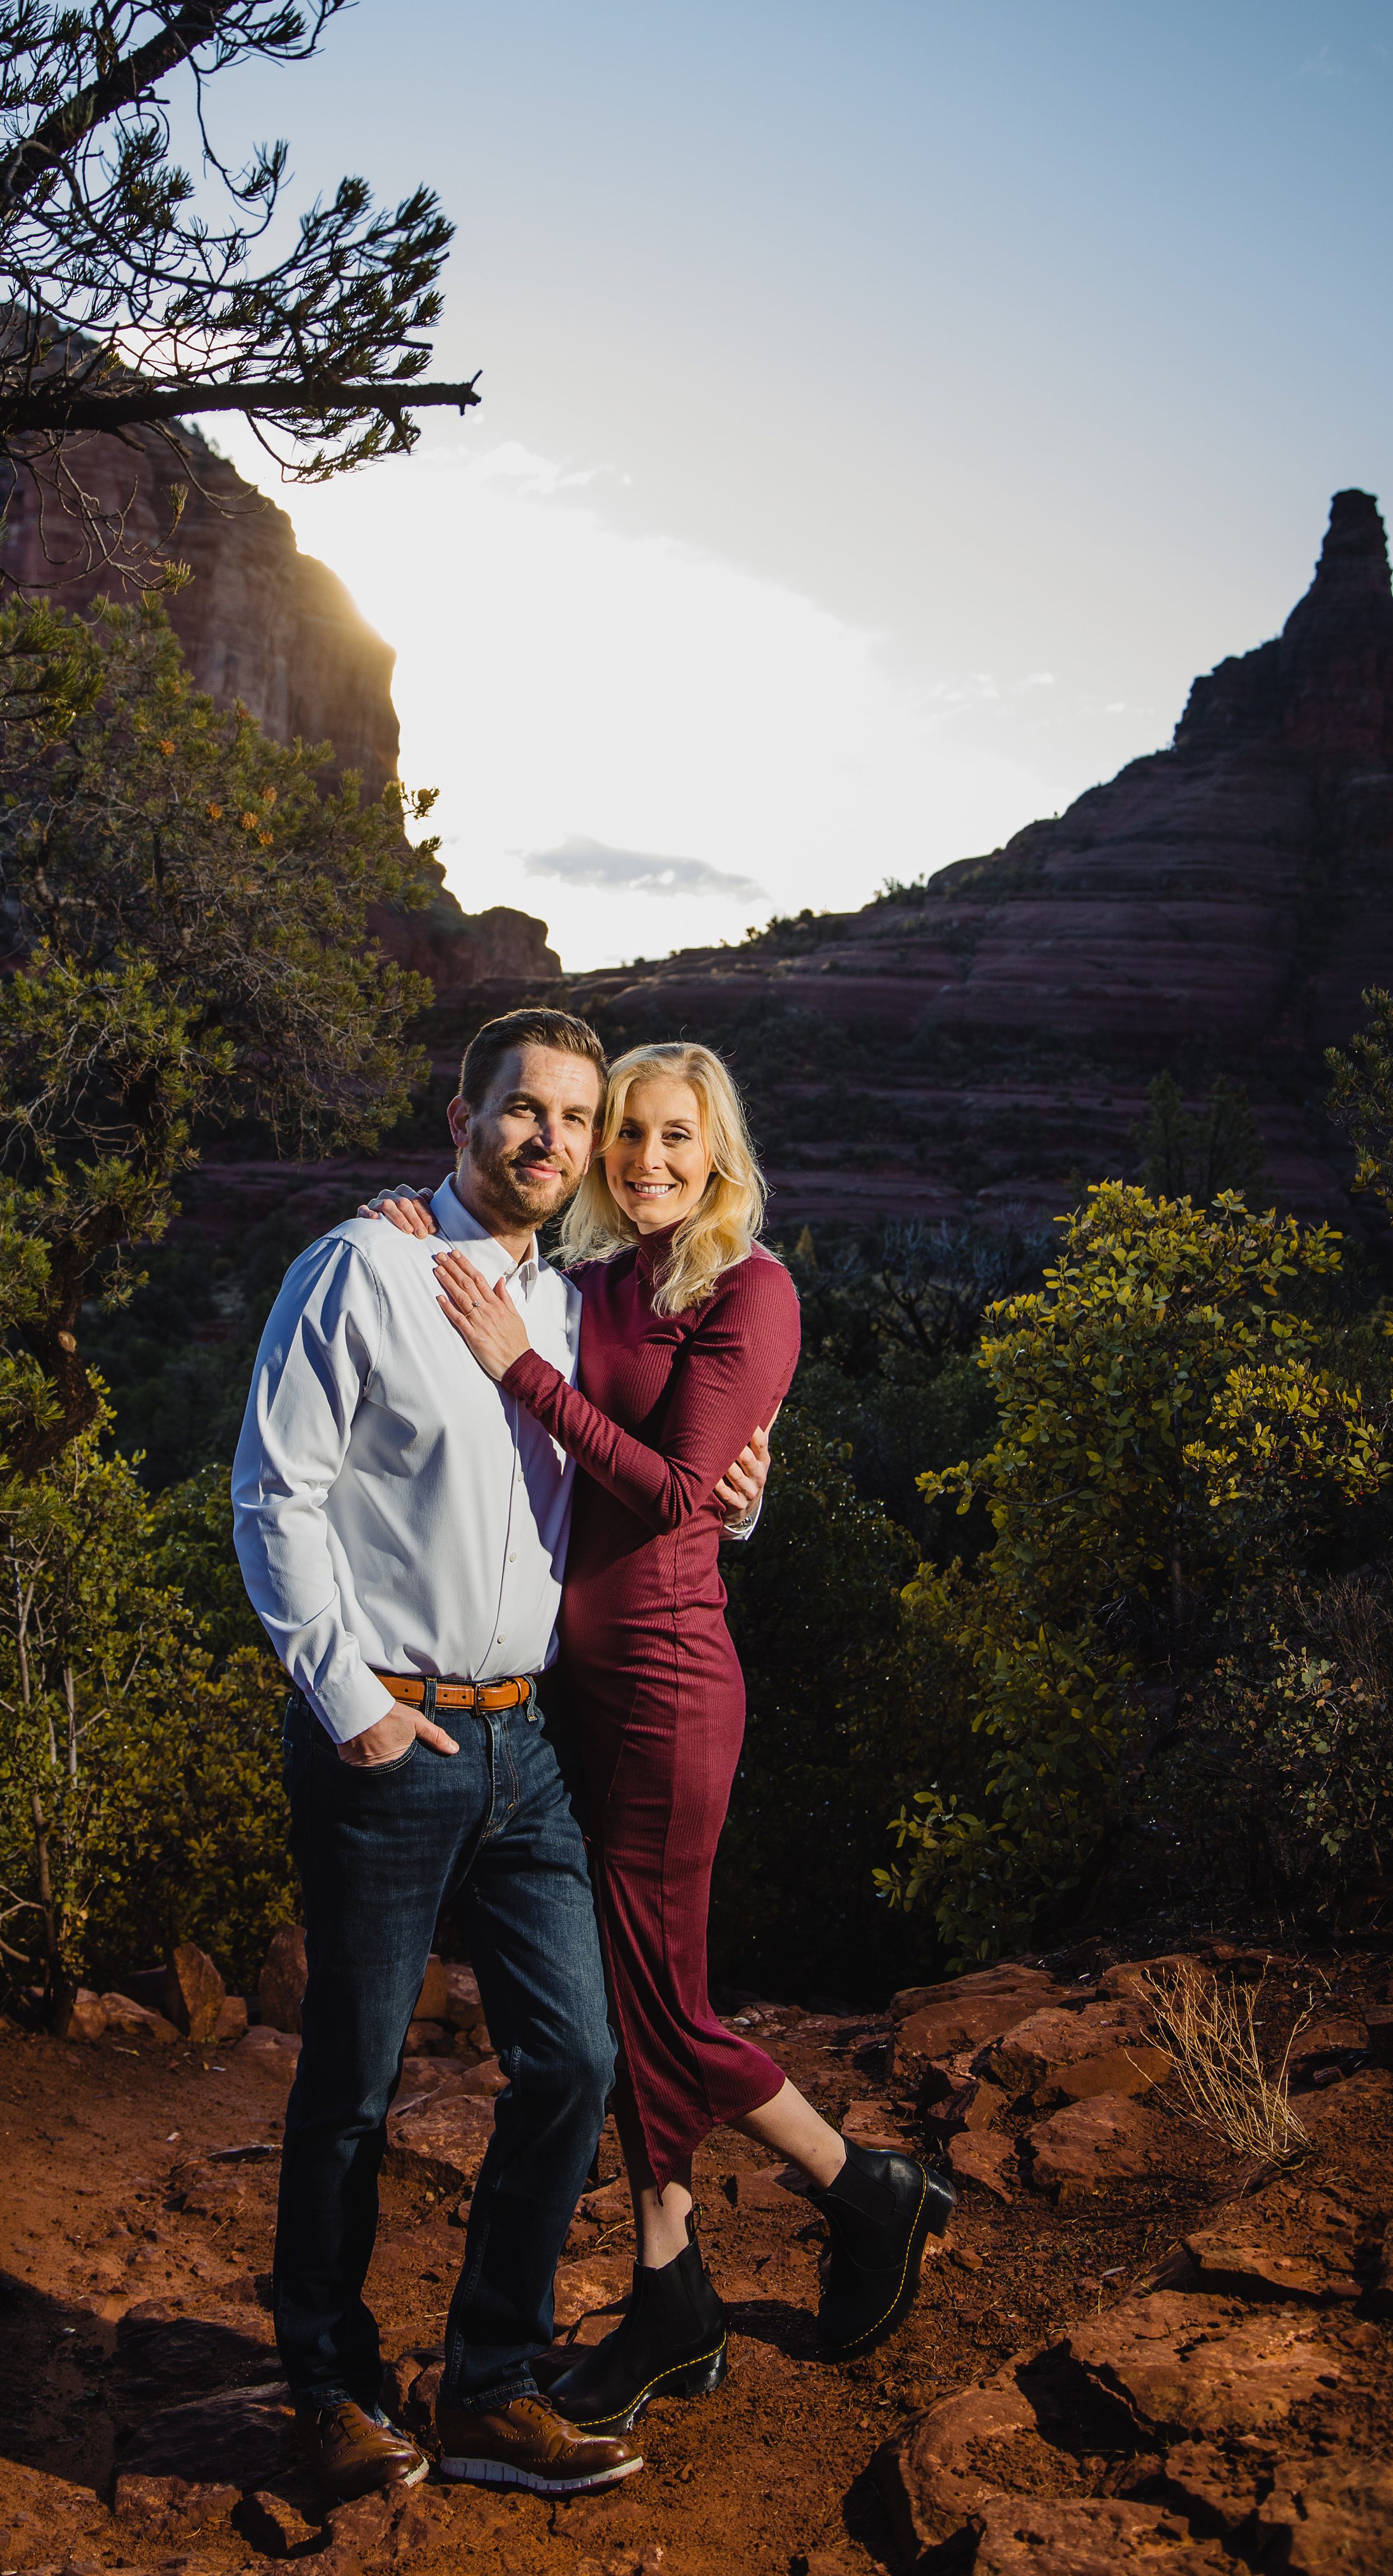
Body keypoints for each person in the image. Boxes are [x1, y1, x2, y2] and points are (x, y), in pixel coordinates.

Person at [360, 1040, 954, 2430]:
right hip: (582, 1687)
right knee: (633, 1999)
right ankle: (673, 2288)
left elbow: (685, 1493)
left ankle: (862, 2186)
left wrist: (524, 1377)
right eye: (627, 1136)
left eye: (676, 1139)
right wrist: (412, 1225)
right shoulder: (593, 1284)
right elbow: (503, 1284)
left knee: (655, 2008)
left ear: (720, 1149)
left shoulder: (751, 1289)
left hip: (674, 1685)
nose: (646, 1163)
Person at [231, 1010, 770, 2505]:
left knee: (578, 2059)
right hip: (389, 1731)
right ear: (462, 1116)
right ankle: (330, 2384)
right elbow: (275, 1493)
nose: (553, 1140)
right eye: (523, 1110)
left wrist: (740, 1500)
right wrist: (352, 1707)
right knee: (353, 2076)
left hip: (525, 1736)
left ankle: (489, 2381)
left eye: (577, 1119)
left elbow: (655, 1466)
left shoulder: (580, 1295)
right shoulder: (363, 1268)